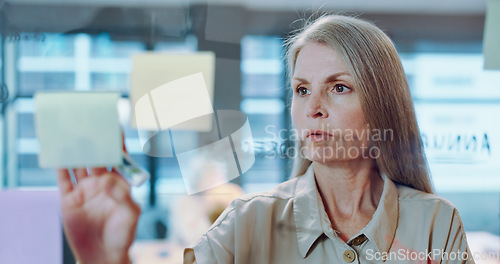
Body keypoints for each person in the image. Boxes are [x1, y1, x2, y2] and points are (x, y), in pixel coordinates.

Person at [57, 14, 475, 264]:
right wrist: (103, 258)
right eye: (302, 89)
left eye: (339, 87)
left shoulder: (437, 224)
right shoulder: (246, 224)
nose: (313, 108)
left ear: (383, 104)